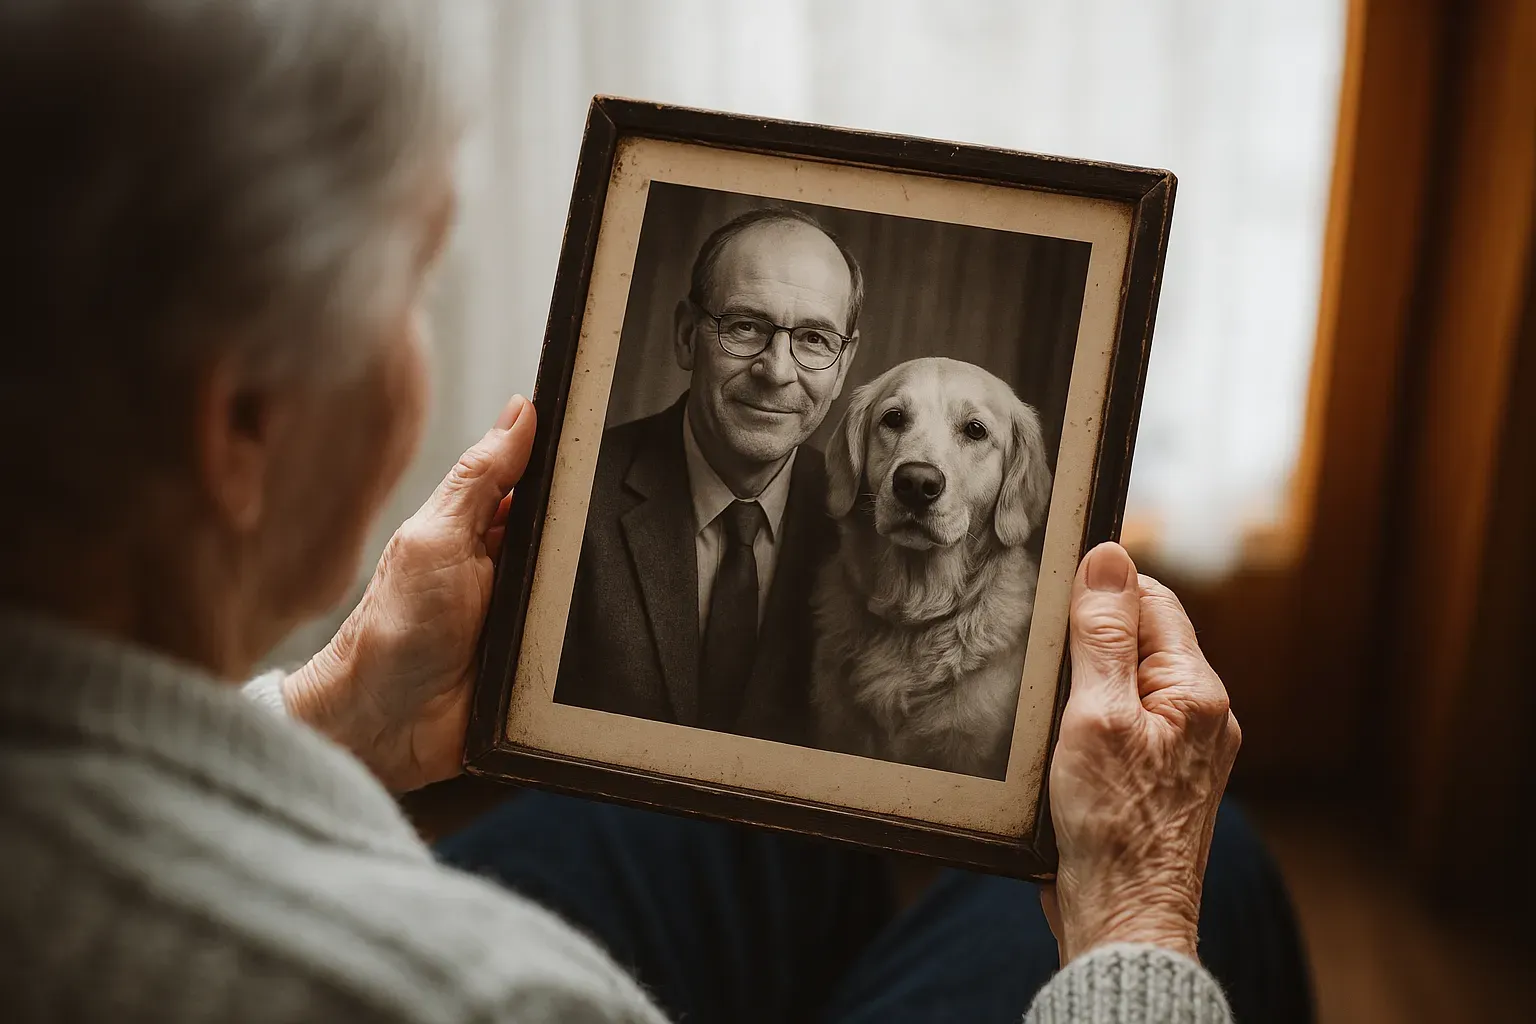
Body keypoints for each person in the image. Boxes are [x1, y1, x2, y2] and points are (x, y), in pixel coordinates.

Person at [0, 2, 1313, 1023]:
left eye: (814, 340)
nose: (776, 370)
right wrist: (1139, 923)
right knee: (1221, 864)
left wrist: (329, 717)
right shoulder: (492, 997)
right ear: (242, 426)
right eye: (413, 283)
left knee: (718, 813)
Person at [554, 207, 861, 741]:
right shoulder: (570, 492)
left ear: (843, 366)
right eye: (745, 327)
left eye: (814, 339)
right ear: (685, 336)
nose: (777, 371)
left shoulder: (866, 530)